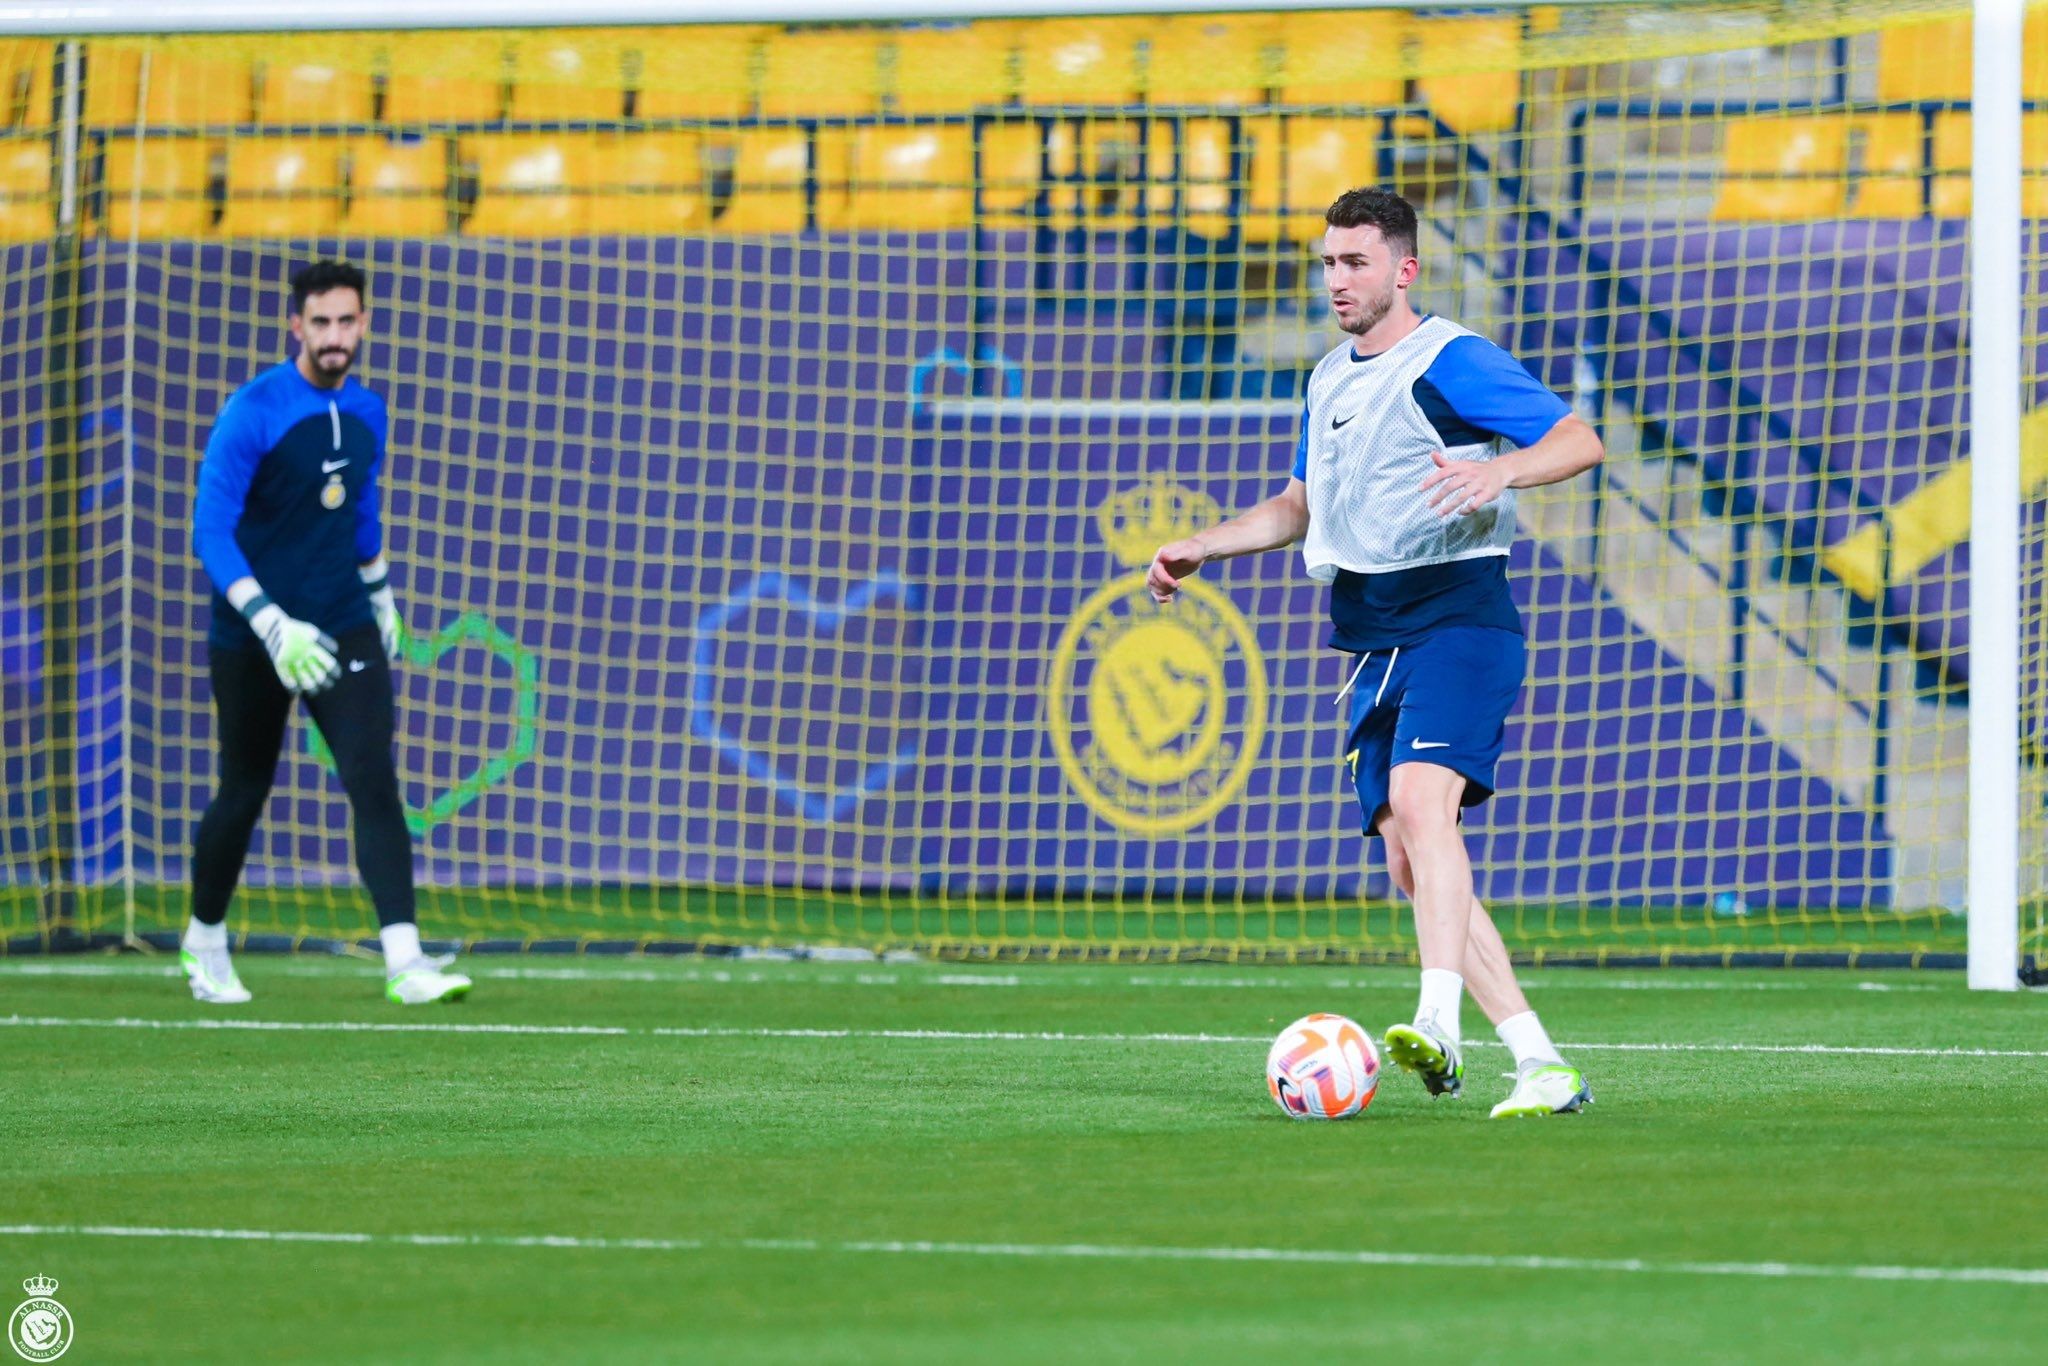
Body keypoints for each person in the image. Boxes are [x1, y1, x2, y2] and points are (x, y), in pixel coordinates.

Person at [1148, 188, 1603, 1117]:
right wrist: (1205, 544)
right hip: (1370, 638)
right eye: (1327, 262)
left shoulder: (1451, 359)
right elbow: (1297, 508)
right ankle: (1542, 1064)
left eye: (1355, 262)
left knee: (1423, 805)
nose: (1336, 280)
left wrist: (1501, 469)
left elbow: (1577, 440)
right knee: (1408, 858)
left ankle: (1437, 1024)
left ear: (1405, 269)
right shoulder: (1328, 377)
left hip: (1457, 616)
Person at [184, 260, 470, 1007]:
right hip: (255, 633)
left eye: (347, 321)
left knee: (373, 777)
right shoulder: (253, 410)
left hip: (343, 620)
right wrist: (271, 623)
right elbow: (210, 531)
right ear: (296, 326)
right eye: (321, 322)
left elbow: (360, 508)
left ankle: (405, 961)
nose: (335, 336)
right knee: (243, 788)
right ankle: (204, 939)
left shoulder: (369, 410)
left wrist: (380, 593)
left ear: (364, 323)